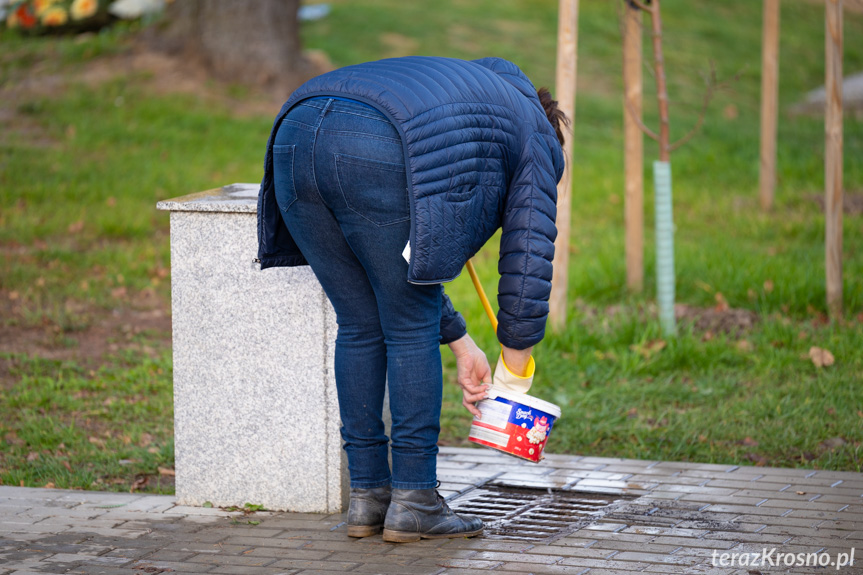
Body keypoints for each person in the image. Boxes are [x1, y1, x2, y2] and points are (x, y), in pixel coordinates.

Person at [257, 56, 566, 543]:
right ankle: (416, 500)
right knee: (408, 329)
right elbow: (530, 254)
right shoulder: (534, 135)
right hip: (376, 142)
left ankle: (369, 497)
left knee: (359, 324)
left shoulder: (463, 105)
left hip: (295, 133)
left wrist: (464, 344)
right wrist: (514, 375)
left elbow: (402, 268)